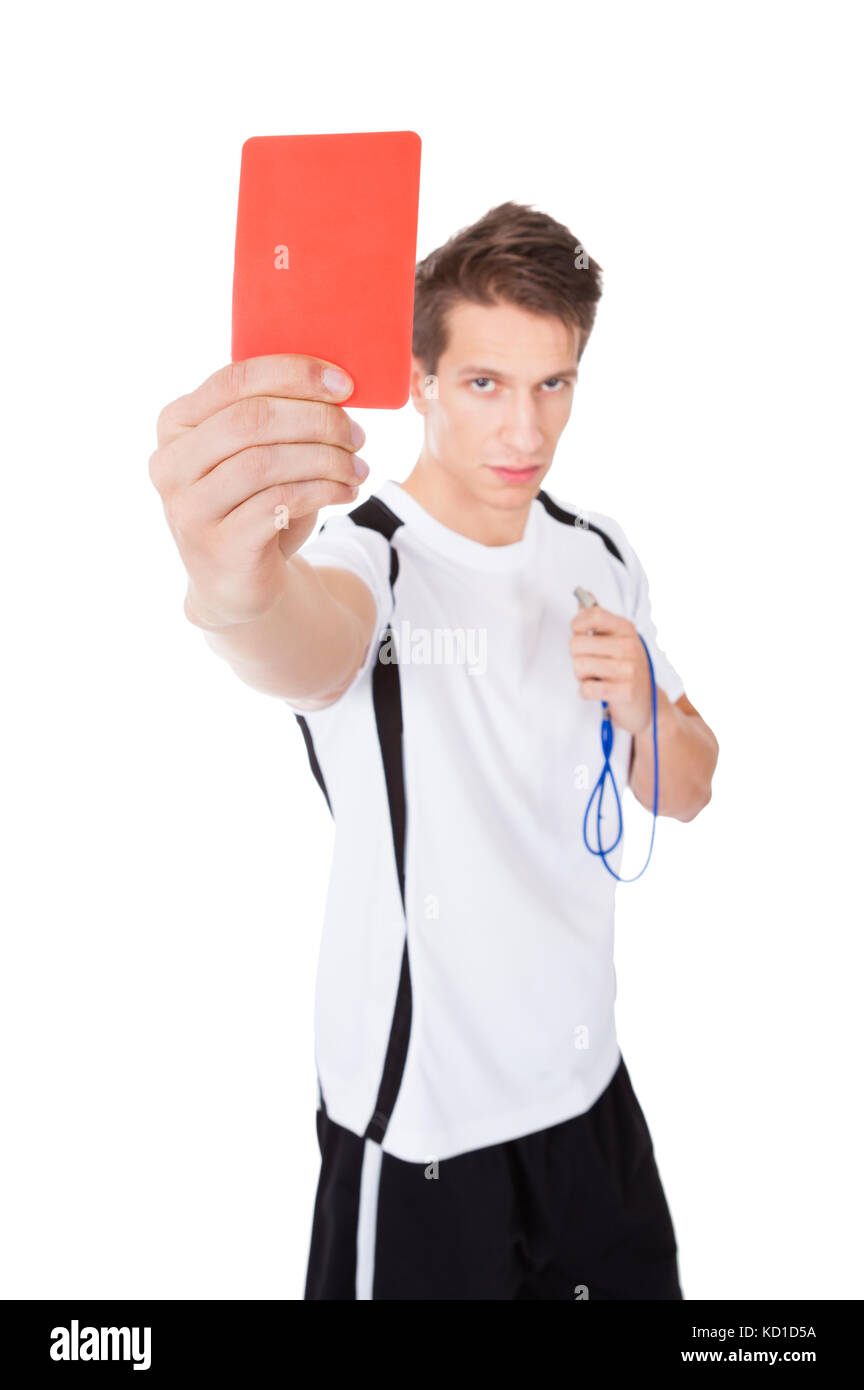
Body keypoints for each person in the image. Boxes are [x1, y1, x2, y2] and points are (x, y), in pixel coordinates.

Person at [149, 201, 719, 1300]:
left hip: (589, 1097)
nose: (524, 430)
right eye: (484, 384)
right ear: (418, 379)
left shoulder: (597, 552)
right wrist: (232, 587)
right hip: (422, 1129)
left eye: (552, 384)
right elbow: (300, 644)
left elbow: (690, 789)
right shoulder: (364, 556)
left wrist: (648, 704)